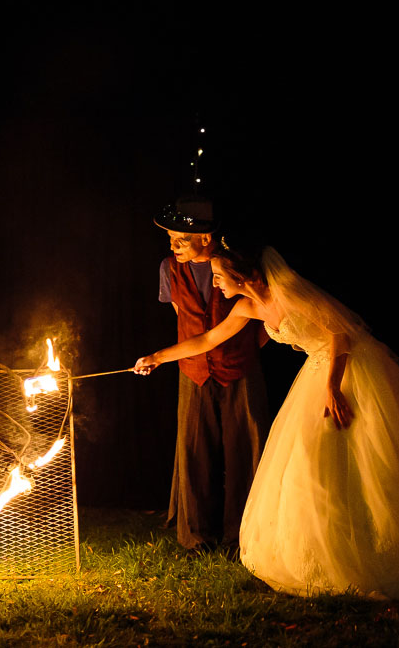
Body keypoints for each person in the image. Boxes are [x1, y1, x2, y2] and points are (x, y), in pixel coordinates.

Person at [135, 245, 399, 606]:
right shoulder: (248, 307)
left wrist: (333, 386)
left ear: (238, 272)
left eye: (217, 276)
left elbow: (339, 334)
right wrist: (156, 357)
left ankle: (395, 548)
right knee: (311, 465)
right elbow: (208, 339)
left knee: (375, 460)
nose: (213, 283)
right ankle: (332, 550)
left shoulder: (287, 291)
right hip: (319, 373)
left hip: (350, 373)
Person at [151, 196, 269, 554]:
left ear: (206, 237)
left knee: (245, 453)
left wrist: (241, 353)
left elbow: (264, 321)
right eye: (170, 238)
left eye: (180, 239)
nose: (173, 246)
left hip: (240, 371)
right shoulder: (169, 268)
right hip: (193, 372)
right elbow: (183, 318)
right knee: (193, 454)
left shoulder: (237, 264)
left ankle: (242, 536)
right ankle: (195, 537)